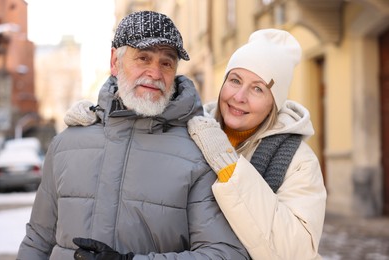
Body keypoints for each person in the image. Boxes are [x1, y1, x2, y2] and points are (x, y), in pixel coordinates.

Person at [64, 28, 327, 259]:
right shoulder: (192, 127)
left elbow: (298, 252)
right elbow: (143, 126)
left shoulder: (298, 161)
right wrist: (103, 117)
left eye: (258, 88)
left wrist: (228, 166)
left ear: (275, 102)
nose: (239, 96)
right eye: (234, 80)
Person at [17, 11, 249, 260]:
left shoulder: (197, 155)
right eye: (143, 58)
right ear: (114, 62)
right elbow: (37, 241)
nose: (155, 73)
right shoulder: (65, 145)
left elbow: (225, 253)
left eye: (166, 63)